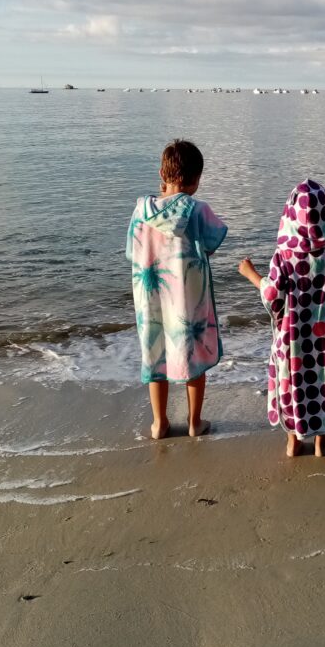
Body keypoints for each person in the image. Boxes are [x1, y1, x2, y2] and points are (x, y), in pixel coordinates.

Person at [238, 180, 325, 458]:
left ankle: (293, 440)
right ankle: (320, 443)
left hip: (294, 339)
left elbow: (271, 294)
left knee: (294, 384)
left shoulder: (284, 257)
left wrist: (251, 274)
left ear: (290, 216)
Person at [126, 139, 227, 440]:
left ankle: (160, 423)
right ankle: (195, 421)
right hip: (187, 298)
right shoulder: (198, 211)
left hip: (150, 297)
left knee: (155, 356)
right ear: (196, 180)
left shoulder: (141, 210)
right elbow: (211, 244)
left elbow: (132, 252)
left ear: (161, 173)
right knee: (193, 357)